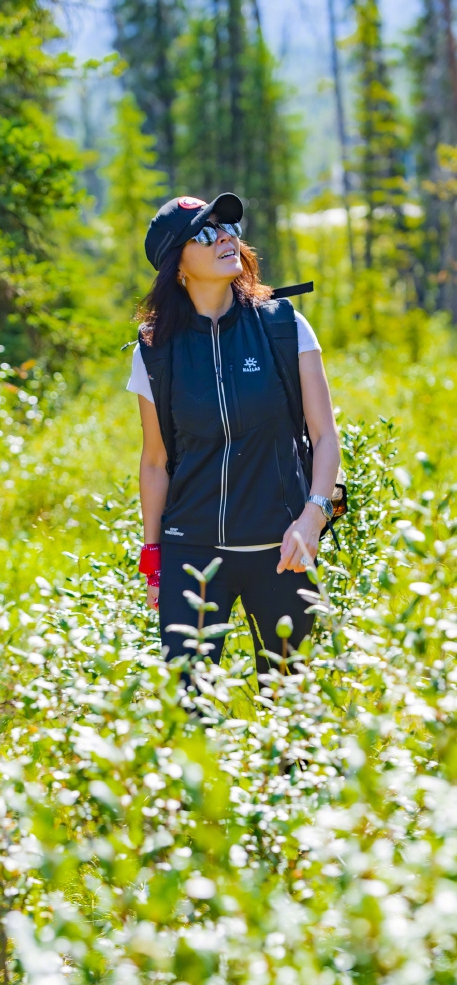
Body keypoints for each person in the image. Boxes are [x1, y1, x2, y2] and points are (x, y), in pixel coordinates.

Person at [126, 192, 341, 674]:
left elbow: (325, 436)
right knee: (188, 710)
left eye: (227, 228)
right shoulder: (155, 351)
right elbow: (155, 461)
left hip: (282, 550)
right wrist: (153, 554)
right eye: (204, 233)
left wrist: (312, 517)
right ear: (175, 264)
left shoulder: (284, 326)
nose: (224, 237)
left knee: (291, 710)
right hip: (191, 554)